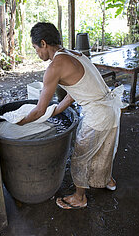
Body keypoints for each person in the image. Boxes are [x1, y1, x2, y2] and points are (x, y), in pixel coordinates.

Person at [18, 22, 124, 209]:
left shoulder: (55, 67)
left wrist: (20, 123)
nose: (37, 53)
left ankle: (79, 197)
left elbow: (39, 109)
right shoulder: (74, 54)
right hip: (111, 109)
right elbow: (76, 90)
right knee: (104, 149)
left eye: (35, 48)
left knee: (80, 156)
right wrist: (57, 109)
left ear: (43, 43)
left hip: (98, 114)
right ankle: (107, 180)